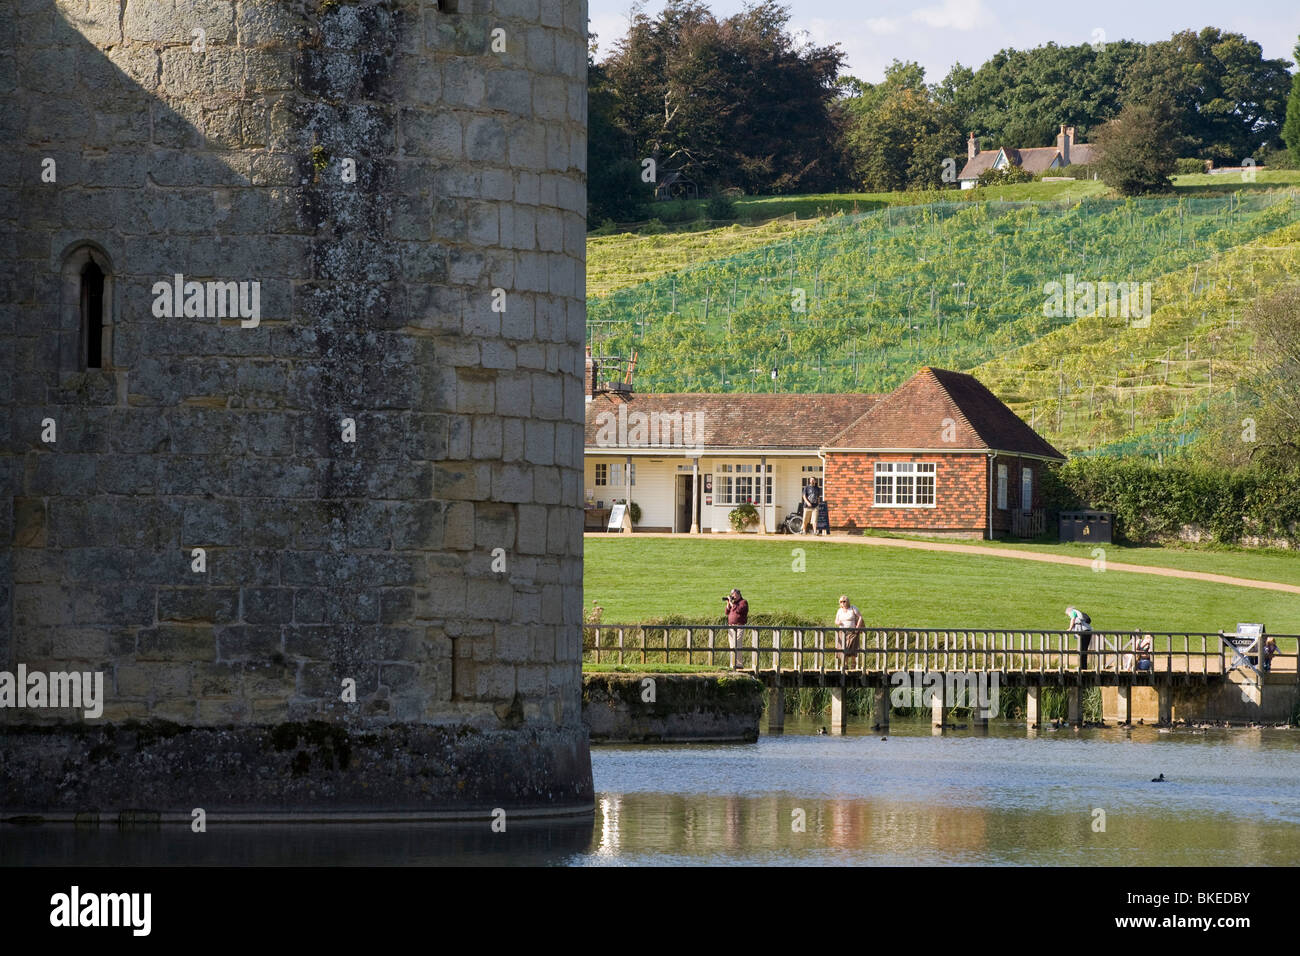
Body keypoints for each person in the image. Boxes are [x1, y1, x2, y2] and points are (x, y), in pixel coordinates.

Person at [834, 595, 863, 669]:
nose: (842, 603)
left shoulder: (853, 608)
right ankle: (845, 665)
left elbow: (860, 617)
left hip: (852, 632)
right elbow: (836, 621)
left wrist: (858, 627)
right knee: (844, 648)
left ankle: (853, 664)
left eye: (844, 601)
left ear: (847, 602)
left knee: (853, 647)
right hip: (842, 632)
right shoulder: (839, 610)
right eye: (841, 602)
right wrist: (838, 622)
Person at [725, 588, 749, 669]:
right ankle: (732, 664)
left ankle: (739, 664)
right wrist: (728, 604)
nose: (733, 597)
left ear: (738, 595)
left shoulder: (743, 602)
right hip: (731, 626)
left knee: (737, 644)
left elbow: (738, 610)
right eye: (732, 595)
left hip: (739, 626)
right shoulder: (733, 603)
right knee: (732, 646)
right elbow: (726, 612)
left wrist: (732, 604)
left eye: (734, 595)